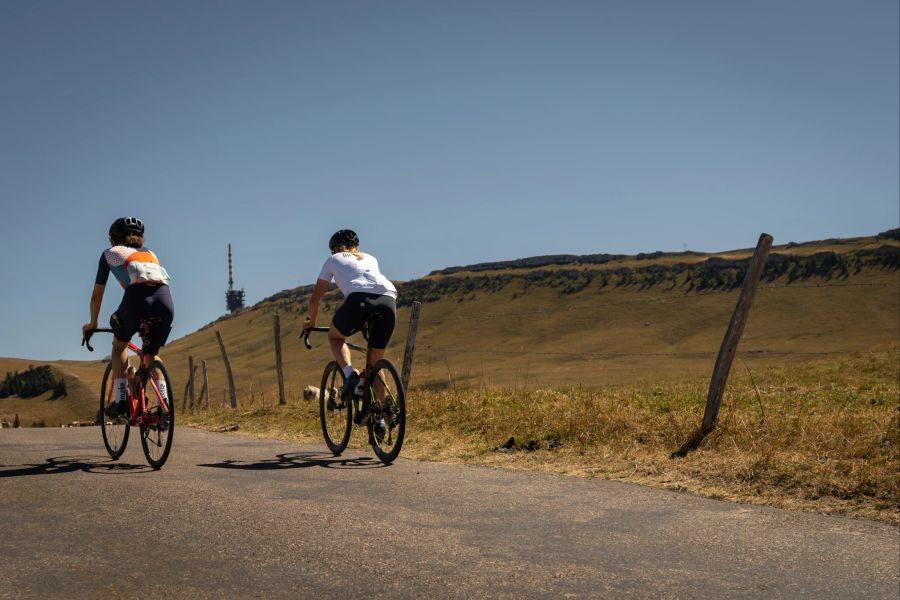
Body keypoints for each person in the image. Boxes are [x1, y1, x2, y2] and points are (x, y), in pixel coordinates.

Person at [303, 229, 397, 426]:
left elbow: (315, 299)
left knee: (335, 337)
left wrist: (310, 322)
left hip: (359, 300)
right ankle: (382, 410)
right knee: (375, 361)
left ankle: (350, 375)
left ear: (336, 248)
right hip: (389, 299)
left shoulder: (334, 259)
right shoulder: (370, 257)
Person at [82, 217, 174, 417]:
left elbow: (97, 296)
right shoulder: (150, 254)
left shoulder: (109, 254)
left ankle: (121, 401)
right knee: (151, 355)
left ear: (114, 239)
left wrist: (93, 323)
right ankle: (164, 404)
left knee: (119, 345)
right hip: (166, 302)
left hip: (137, 301)